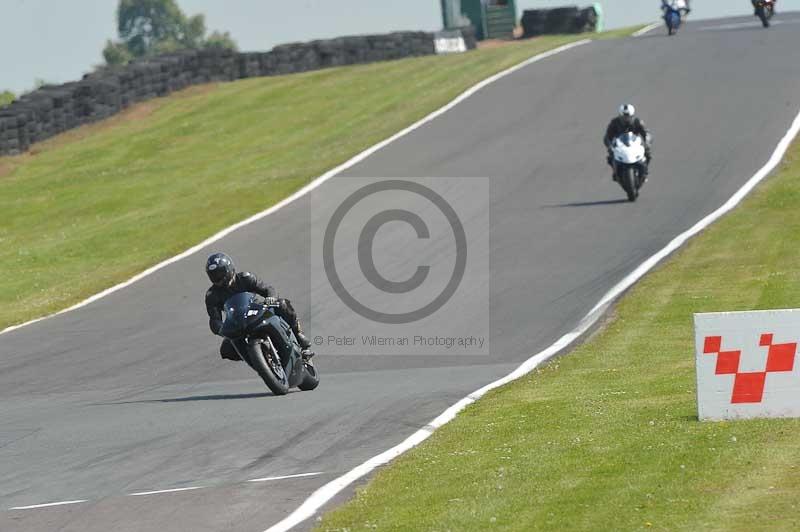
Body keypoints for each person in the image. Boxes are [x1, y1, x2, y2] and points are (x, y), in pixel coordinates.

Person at [204, 252, 313, 362]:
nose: (217, 278)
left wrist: (271, 298)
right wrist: (221, 330)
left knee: (282, 304)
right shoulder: (212, 295)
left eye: (220, 273)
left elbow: (267, 289)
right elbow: (214, 319)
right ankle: (257, 360)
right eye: (213, 275)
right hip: (237, 324)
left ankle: (298, 334)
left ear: (229, 269)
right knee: (226, 350)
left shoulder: (245, 278)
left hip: (257, 312)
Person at [604, 104, 653, 177]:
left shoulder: (637, 122)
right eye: (624, 117)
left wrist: (647, 142)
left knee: (648, 154)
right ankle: (615, 172)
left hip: (634, 144)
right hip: (620, 145)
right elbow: (607, 136)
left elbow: (646, 133)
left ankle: (645, 171)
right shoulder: (614, 123)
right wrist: (609, 146)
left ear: (632, 116)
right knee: (610, 157)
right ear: (620, 116)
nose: (626, 119)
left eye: (628, 117)